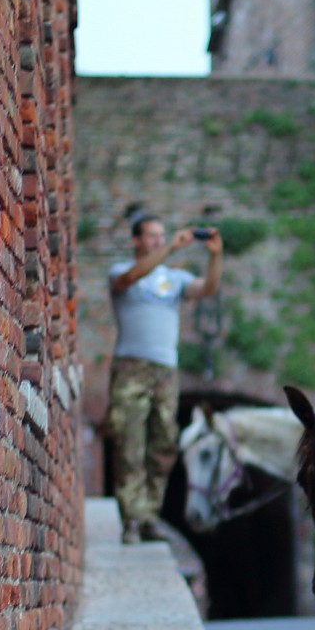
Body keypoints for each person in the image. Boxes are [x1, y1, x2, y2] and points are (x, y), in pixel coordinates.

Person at [106, 214, 223, 544]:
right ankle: (131, 519)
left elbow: (208, 288)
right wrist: (171, 248)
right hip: (131, 366)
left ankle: (149, 517)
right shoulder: (120, 272)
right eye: (152, 236)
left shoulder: (174, 279)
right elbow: (130, 276)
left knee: (162, 444)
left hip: (165, 371)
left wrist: (215, 255)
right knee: (129, 441)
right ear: (136, 241)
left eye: (161, 235)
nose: (158, 240)